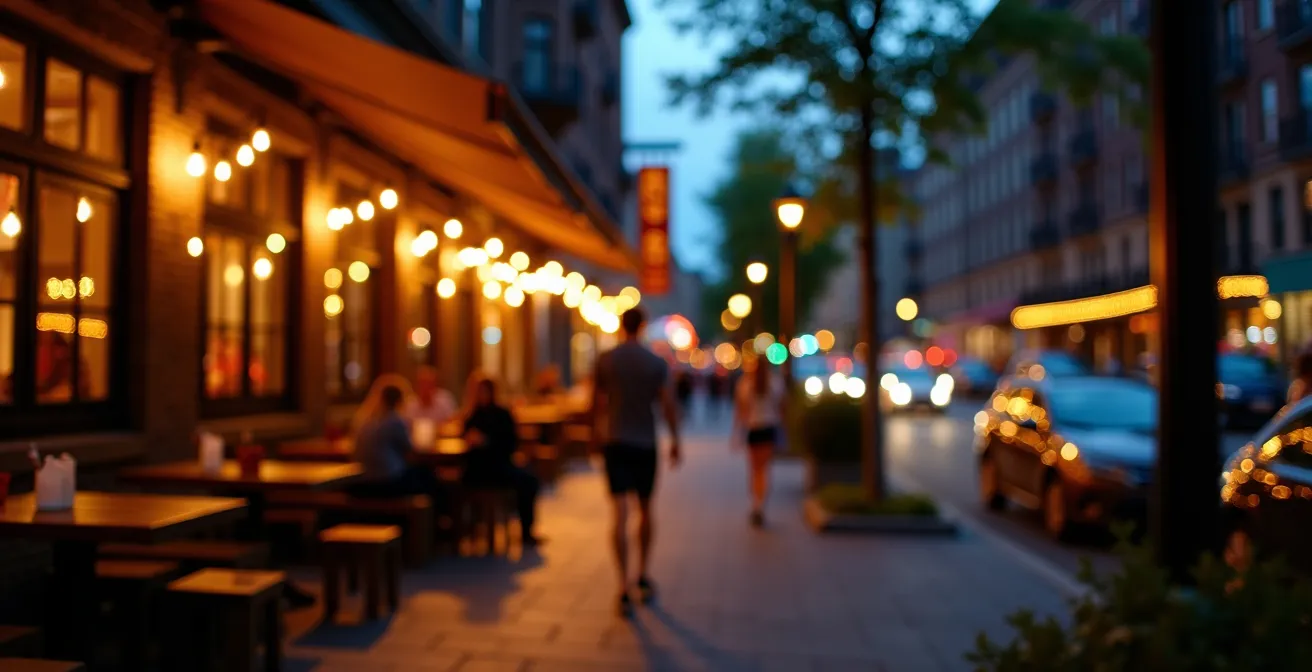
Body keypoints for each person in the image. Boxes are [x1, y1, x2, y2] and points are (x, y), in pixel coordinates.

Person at [591, 307, 681, 616]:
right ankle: (641, 573)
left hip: (615, 441)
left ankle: (622, 584)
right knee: (645, 509)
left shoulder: (606, 359)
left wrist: (594, 436)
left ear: (620, 324)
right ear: (642, 327)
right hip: (645, 443)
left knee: (619, 513)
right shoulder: (655, 362)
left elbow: (596, 403)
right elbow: (667, 403)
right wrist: (676, 440)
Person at [462, 373, 542, 546]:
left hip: (498, 466)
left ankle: (526, 530)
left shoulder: (501, 414)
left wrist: (486, 441)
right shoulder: (471, 416)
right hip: (477, 471)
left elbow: (510, 444)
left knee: (529, 480)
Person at [350, 381, 447, 506]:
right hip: (387, 482)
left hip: (362, 481)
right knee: (429, 477)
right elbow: (412, 451)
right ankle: (434, 520)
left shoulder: (366, 422)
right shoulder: (394, 420)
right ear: (400, 400)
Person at [733, 357, 786, 527]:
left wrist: (737, 434)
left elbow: (741, 411)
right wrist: (784, 433)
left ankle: (755, 503)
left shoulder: (745, 384)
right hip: (769, 428)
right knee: (764, 470)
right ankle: (761, 504)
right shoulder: (776, 384)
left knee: (754, 470)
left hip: (753, 429)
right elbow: (782, 409)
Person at [407, 366, 458, 439]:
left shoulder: (445, 400)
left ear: (435, 385)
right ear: (416, 385)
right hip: (418, 446)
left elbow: (454, 423)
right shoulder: (410, 404)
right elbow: (407, 428)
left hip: (442, 443)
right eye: (422, 384)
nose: (425, 387)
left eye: (429, 384)